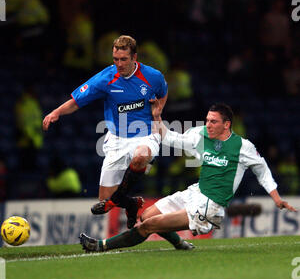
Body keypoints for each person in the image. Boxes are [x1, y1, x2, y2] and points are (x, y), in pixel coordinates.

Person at [79, 102, 297, 253]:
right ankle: (179, 244)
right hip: (195, 192)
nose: (208, 124)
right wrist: (156, 117)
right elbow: (171, 138)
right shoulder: (200, 135)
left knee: (147, 226)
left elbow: (262, 169)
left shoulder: (242, 146)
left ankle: (101, 245)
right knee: (145, 216)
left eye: (213, 122)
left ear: (227, 124)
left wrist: (276, 197)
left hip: (209, 207)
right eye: (207, 120)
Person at [43, 35, 193, 251]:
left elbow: (163, 91)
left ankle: (123, 198)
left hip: (145, 134)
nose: (119, 64)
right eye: (115, 59)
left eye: (123, 59)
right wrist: (56, 113)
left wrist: (159, 109)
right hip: (116, 140)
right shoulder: (105, 78)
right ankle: (131, 203)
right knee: (104, 202)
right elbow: (77, 101)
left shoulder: (153, 76)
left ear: (134, 57)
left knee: (141, 156)